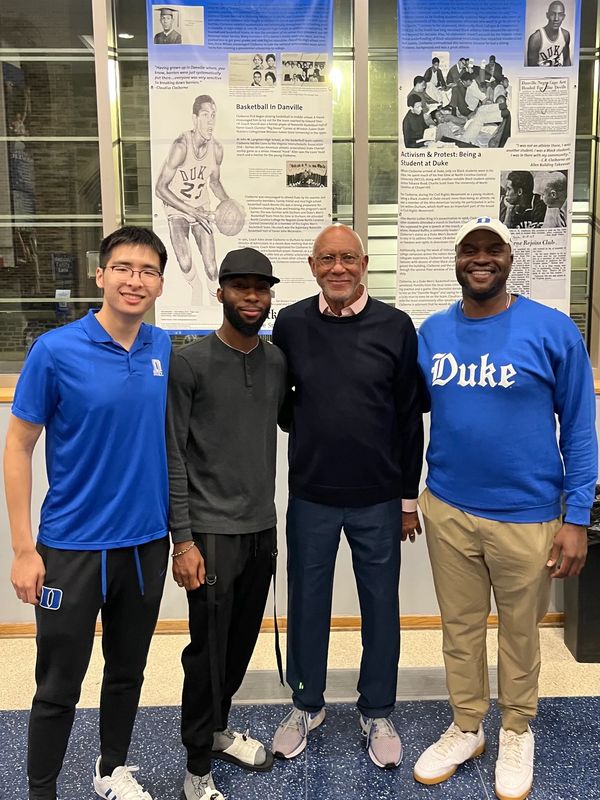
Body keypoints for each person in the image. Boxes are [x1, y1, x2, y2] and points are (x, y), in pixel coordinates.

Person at [414, 217, 596, 800]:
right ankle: (468, 725)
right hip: (447, 508)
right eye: (471, 250)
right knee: (459, 629)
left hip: (528, 514)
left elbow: (582, 428)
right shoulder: (434, 332)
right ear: (458, 259)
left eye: (493, 250)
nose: (481, 260)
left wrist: (577, 516)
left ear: (510, 258)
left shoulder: (552, 330)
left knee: (521, 632)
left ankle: (517, 728)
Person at [5, 226, 171, 800]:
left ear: (160, 283)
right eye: (123, 268)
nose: (135, 280)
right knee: (57, 684)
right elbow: (19, 446)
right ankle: (41, 791)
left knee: (127, 674)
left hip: (146, 545)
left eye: (148, 271)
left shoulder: (163, 348)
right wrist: (24, 548)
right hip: (70, 551)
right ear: (100, 275)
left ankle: (110, 771)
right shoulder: (54, 350)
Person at [271, 224, 423, 770]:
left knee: (381, 606)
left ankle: (377, 708)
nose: (338, 268)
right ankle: (306, 704)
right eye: (327, 259)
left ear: (365, 264)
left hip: (379, 498)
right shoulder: (289, 324)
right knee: (307, 604)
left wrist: (408, 498)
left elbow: (409, 418)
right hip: (311, 493)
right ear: (312, 266)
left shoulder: (396, 326)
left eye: (348, 259)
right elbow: (284, 402)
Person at [167, 248, 287, 800]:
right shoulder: (189, 363)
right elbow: (173, 454)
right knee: (207, 653)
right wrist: (183, 541)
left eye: (260, 288)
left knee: (239, 647)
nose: (252, 297)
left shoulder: (276, 361)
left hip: (261, 528)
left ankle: (217, 731)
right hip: (210, 534)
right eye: (240, 287)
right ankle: (196, 768)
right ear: (220, 293)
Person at [155, 94, 231, 306]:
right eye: (205, 115)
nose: (210, 121)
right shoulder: (181, 146)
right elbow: (160, 188)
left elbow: (215, 183)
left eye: (213, 116)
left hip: (200, 207)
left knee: (211, 267)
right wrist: (190, 210)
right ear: (195, 118)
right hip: (177, 207)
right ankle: (196, 287)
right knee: (186, 262)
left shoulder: (216, 149)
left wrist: (228, 203)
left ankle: (214, 306)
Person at [527, 2, 571, 66]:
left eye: (560, 14)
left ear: (563, 17)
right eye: (553, 14)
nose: (556, 18)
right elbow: (531, 69)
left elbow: (566, 60)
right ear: (547, 15)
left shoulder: (565, 35)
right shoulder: (536, 39)